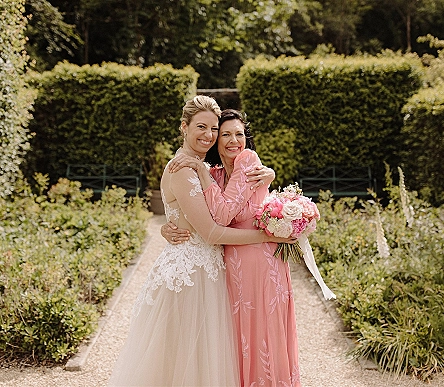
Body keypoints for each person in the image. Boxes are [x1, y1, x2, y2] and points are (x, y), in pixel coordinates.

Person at [107, 97, 295, 387]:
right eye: (202, 127)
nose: (208, 135)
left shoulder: (204, 168)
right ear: (184, 127)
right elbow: (210, 232)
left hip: (210, 271)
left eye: (212, 129)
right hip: (190, 276)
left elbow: (229, 190)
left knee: (205, 358)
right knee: (184, 359)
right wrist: (268, 236)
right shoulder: (184, 169)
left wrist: (269, 174)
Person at [163, 109, 310, 386]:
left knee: (263, 334)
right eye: (226, 134)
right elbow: (198, 214)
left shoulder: (247, 160)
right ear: (217, 141)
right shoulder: (216, 173)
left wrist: (199, 171)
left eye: (239, 134)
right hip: (232, 262)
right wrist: (167, 227)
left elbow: (222, 214)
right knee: (238, 337)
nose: (234, 140)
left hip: (260, 262)